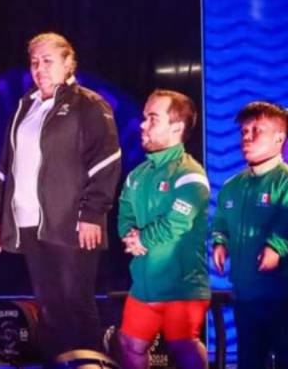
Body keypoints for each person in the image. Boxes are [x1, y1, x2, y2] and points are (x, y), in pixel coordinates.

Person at [0, 32, 121, 362]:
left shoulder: (88, 104)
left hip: (72, 222)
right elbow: (6, 168)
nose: (39, 68)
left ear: (68, 64)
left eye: (48, 61)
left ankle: (89, 364)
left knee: (75, 302)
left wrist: (91, 213)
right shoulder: (25, 107)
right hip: (30, 222)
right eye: (34, 62)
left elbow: (107, 160)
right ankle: (58, 363)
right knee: (48, 308)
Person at [115, 90, 210, 369]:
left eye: (152, 119)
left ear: (177, 127)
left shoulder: (190, 174)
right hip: (143, 286)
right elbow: (124, 214)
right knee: (130, 344)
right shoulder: (137, 175)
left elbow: (176, 223)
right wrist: (129, 236)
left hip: (181, 285)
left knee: (183, 346)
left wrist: (142, 237)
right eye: (145, 118)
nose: (142, 125)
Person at [212, 101, 288, 369]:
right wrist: (220, 241)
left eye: (256, 130)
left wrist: (275, 247)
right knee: (249, 361)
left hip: (283, 296)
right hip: (245, 294)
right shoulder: (232, 186)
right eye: (244, 131)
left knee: (284, 360)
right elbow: (220, 220)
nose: (247, 137)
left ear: (279, 138)